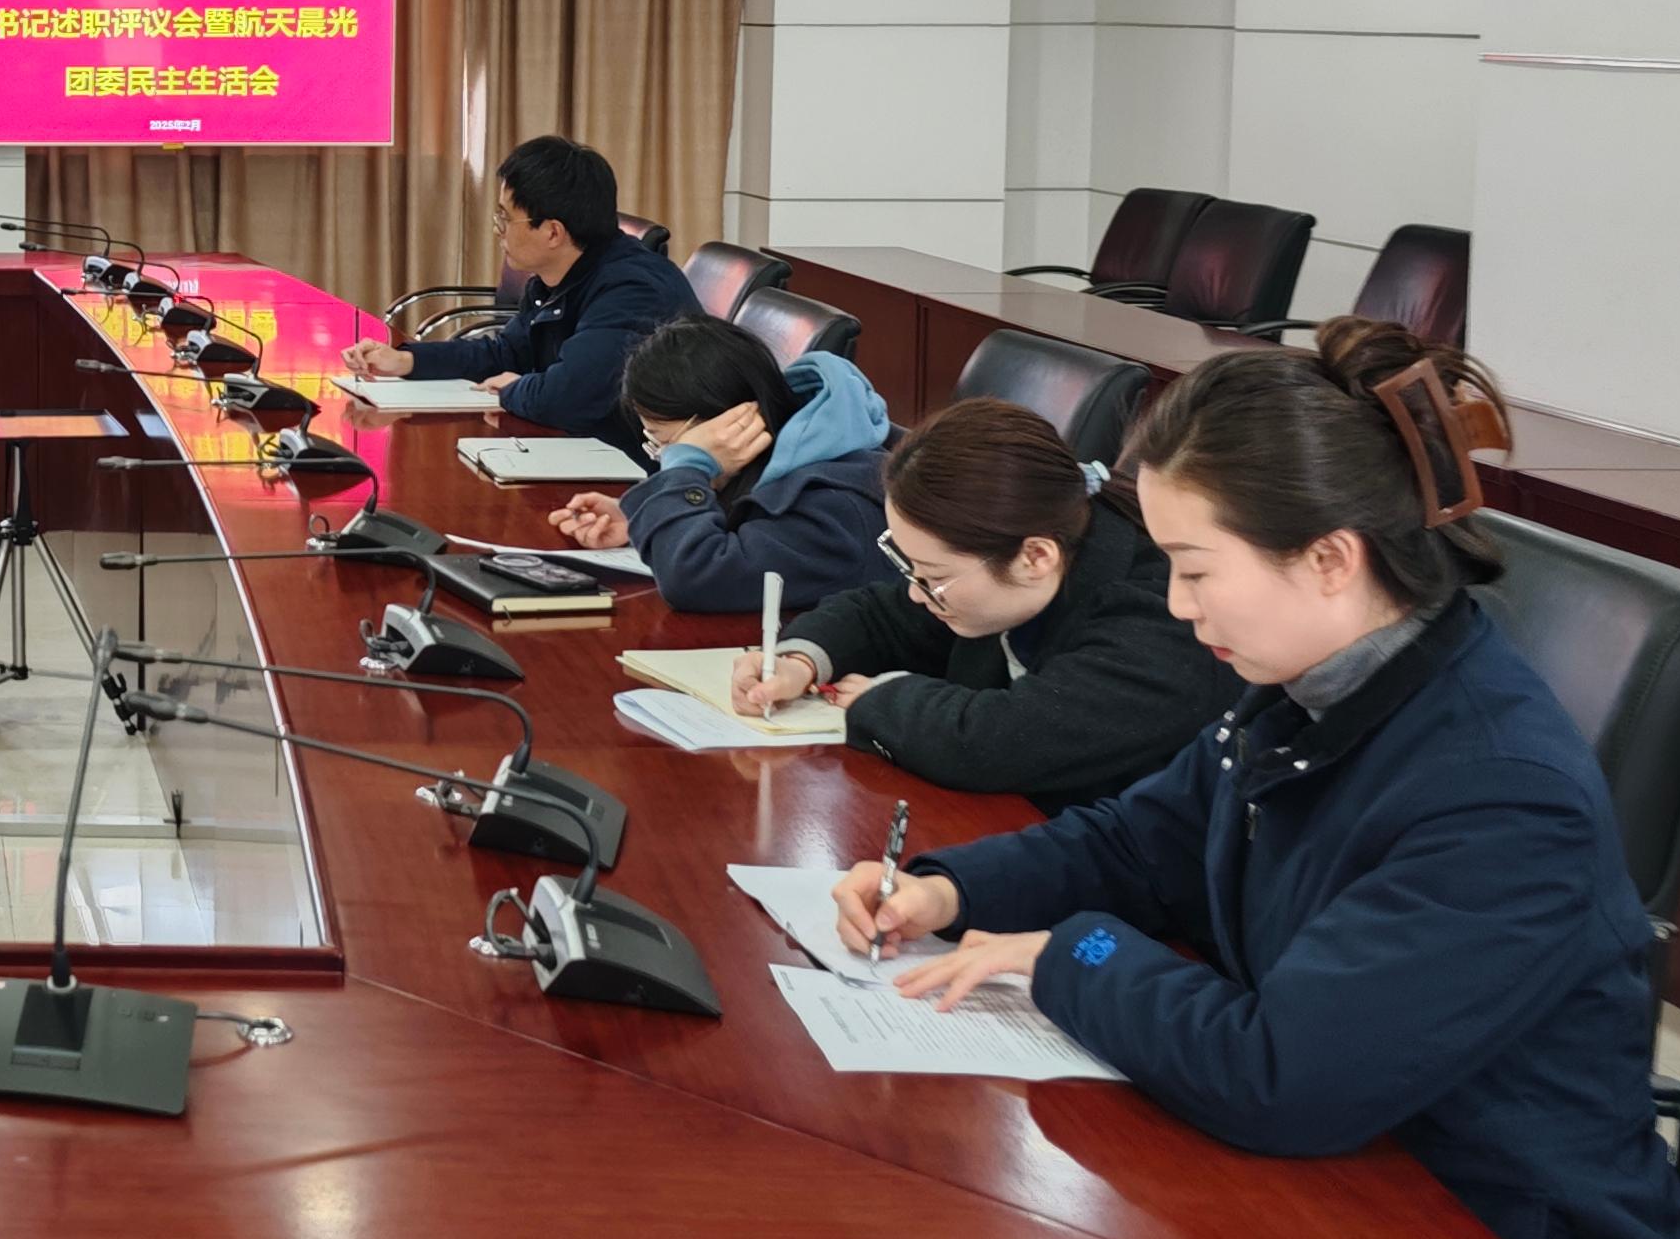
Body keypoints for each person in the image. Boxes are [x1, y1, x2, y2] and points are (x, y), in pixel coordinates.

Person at [833, 321, 1680, 1239]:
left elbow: (1279, 1078)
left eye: (1195, 569)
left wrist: (1062, 955)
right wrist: (947, 889)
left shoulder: (1495, 793)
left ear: (1329, 558)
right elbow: (1140, 838)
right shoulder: (1314, 687)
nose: (1175, 606)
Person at [733, 394, 1226, 806]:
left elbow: (998, 741)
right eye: (910, 568)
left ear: (1035, 556)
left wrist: (880, 701)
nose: (916, 591)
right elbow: (881, 614)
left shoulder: (1159, 624)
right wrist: (800, 662)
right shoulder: (1009, 559)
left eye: (934, 576)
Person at [335, 135, 692, 450]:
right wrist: (408, 361)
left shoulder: (633, 290)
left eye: (505, 218)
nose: (498, 230)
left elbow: (570, 396)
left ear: (553, 233)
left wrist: (513, 390)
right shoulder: (556, 275)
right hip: (574, 447)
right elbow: (506, 353)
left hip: (633, 472)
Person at [554, 313, 890, 614]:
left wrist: (689, 465)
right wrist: (641, 520)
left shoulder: (833, 509)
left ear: (733, 427)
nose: (665, 458)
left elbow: (693, 578)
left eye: (669, 446)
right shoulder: (782, 454)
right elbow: (743, 527)